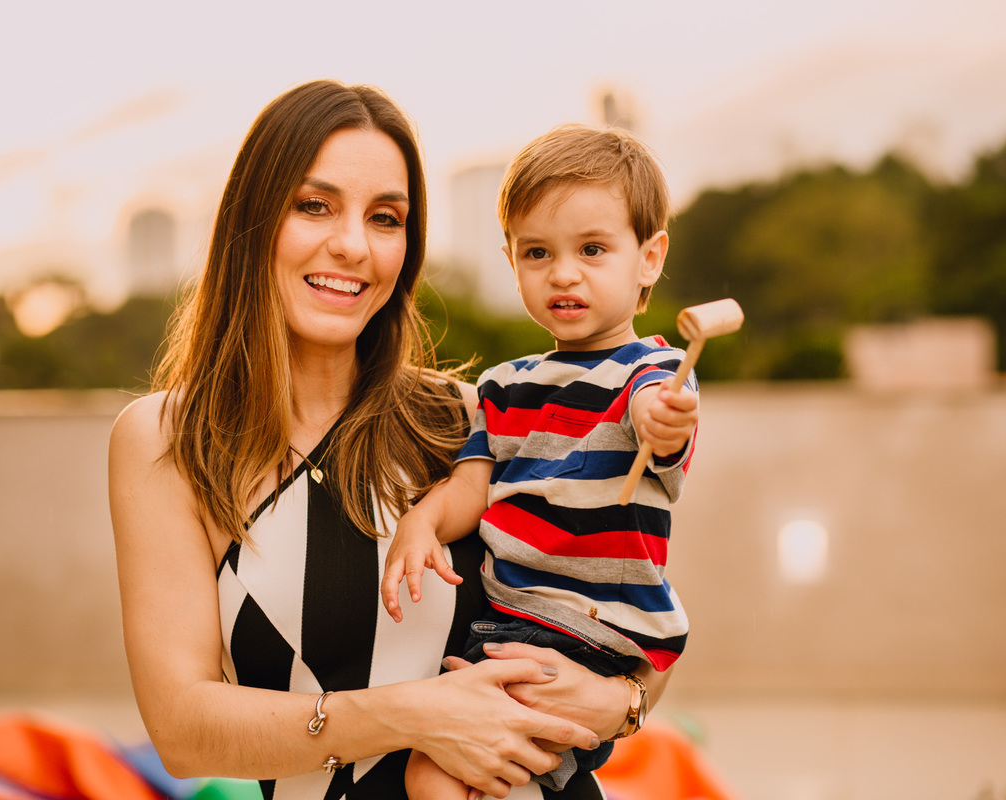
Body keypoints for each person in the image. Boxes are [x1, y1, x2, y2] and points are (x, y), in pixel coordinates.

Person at [108, 80, 643, 800]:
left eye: (386, 218)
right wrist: (419, 716)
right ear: (253, 218)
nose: (353, 246)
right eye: (314, 205)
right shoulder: (168, 442)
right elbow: (182, 730)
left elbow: (634, 591)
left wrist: (625, 702)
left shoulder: (473, 420)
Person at [381, 123, 700, 797]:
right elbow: (472, 486)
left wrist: (662, 421)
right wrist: (422, 522)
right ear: (511, 261)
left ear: (648, 258)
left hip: (593, 628)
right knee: (462, 773)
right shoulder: (504, 385)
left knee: (434, 773)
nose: (563, 273)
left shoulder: (652, 371)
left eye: (592, 249)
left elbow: (661, 420)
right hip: (512, 620)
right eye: (537, 252)